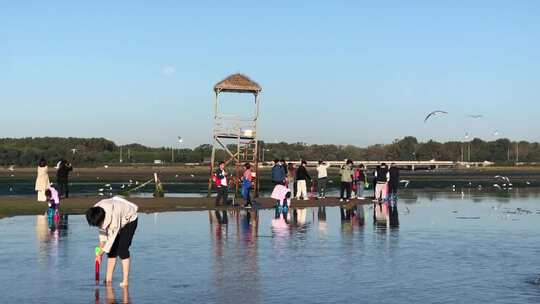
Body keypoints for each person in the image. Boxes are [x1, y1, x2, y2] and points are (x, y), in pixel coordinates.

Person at [86, 196, 138, 287]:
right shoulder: (96, 211)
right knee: (112, 251)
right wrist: (99, 254)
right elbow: (103, 236)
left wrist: (101, 252)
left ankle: (125, 281)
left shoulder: (114, 215)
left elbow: (111, 239)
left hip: (130, 219)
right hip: (117, 219)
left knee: (122, 250)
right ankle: (108, 280)